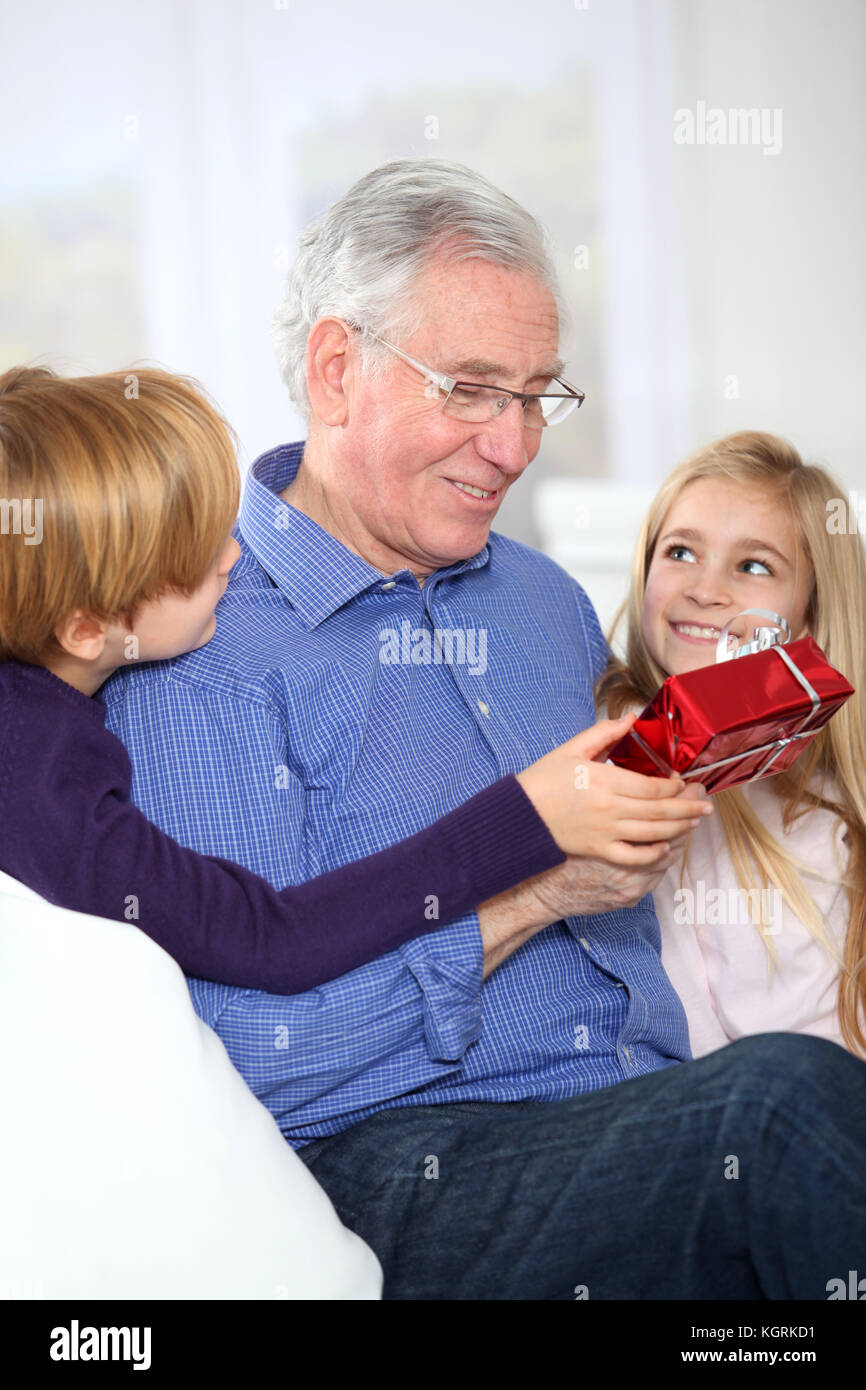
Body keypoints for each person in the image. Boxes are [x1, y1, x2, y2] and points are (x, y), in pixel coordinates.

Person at [100, 159, 866, 1300]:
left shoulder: (541, 601)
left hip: (642, 1123)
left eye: (535, 395)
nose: (512, 447)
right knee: (778, 1106)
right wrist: (533, 893)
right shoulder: (202, 646)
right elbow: (252, 1065)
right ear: (335, 369)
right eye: (468, 389)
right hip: (403, 1168)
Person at [0, 363, 706, 994]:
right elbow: (265, 937)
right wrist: (525, 816)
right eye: (198, 552)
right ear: (88, 628)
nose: (233, 555)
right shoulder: (42, 773)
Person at [596, 430, 866, 1058]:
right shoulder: (631, 744)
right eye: (681, 552)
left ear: (812, 620)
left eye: (753, 566)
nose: (706, 589)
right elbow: (696, 1031)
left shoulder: (828, 790)